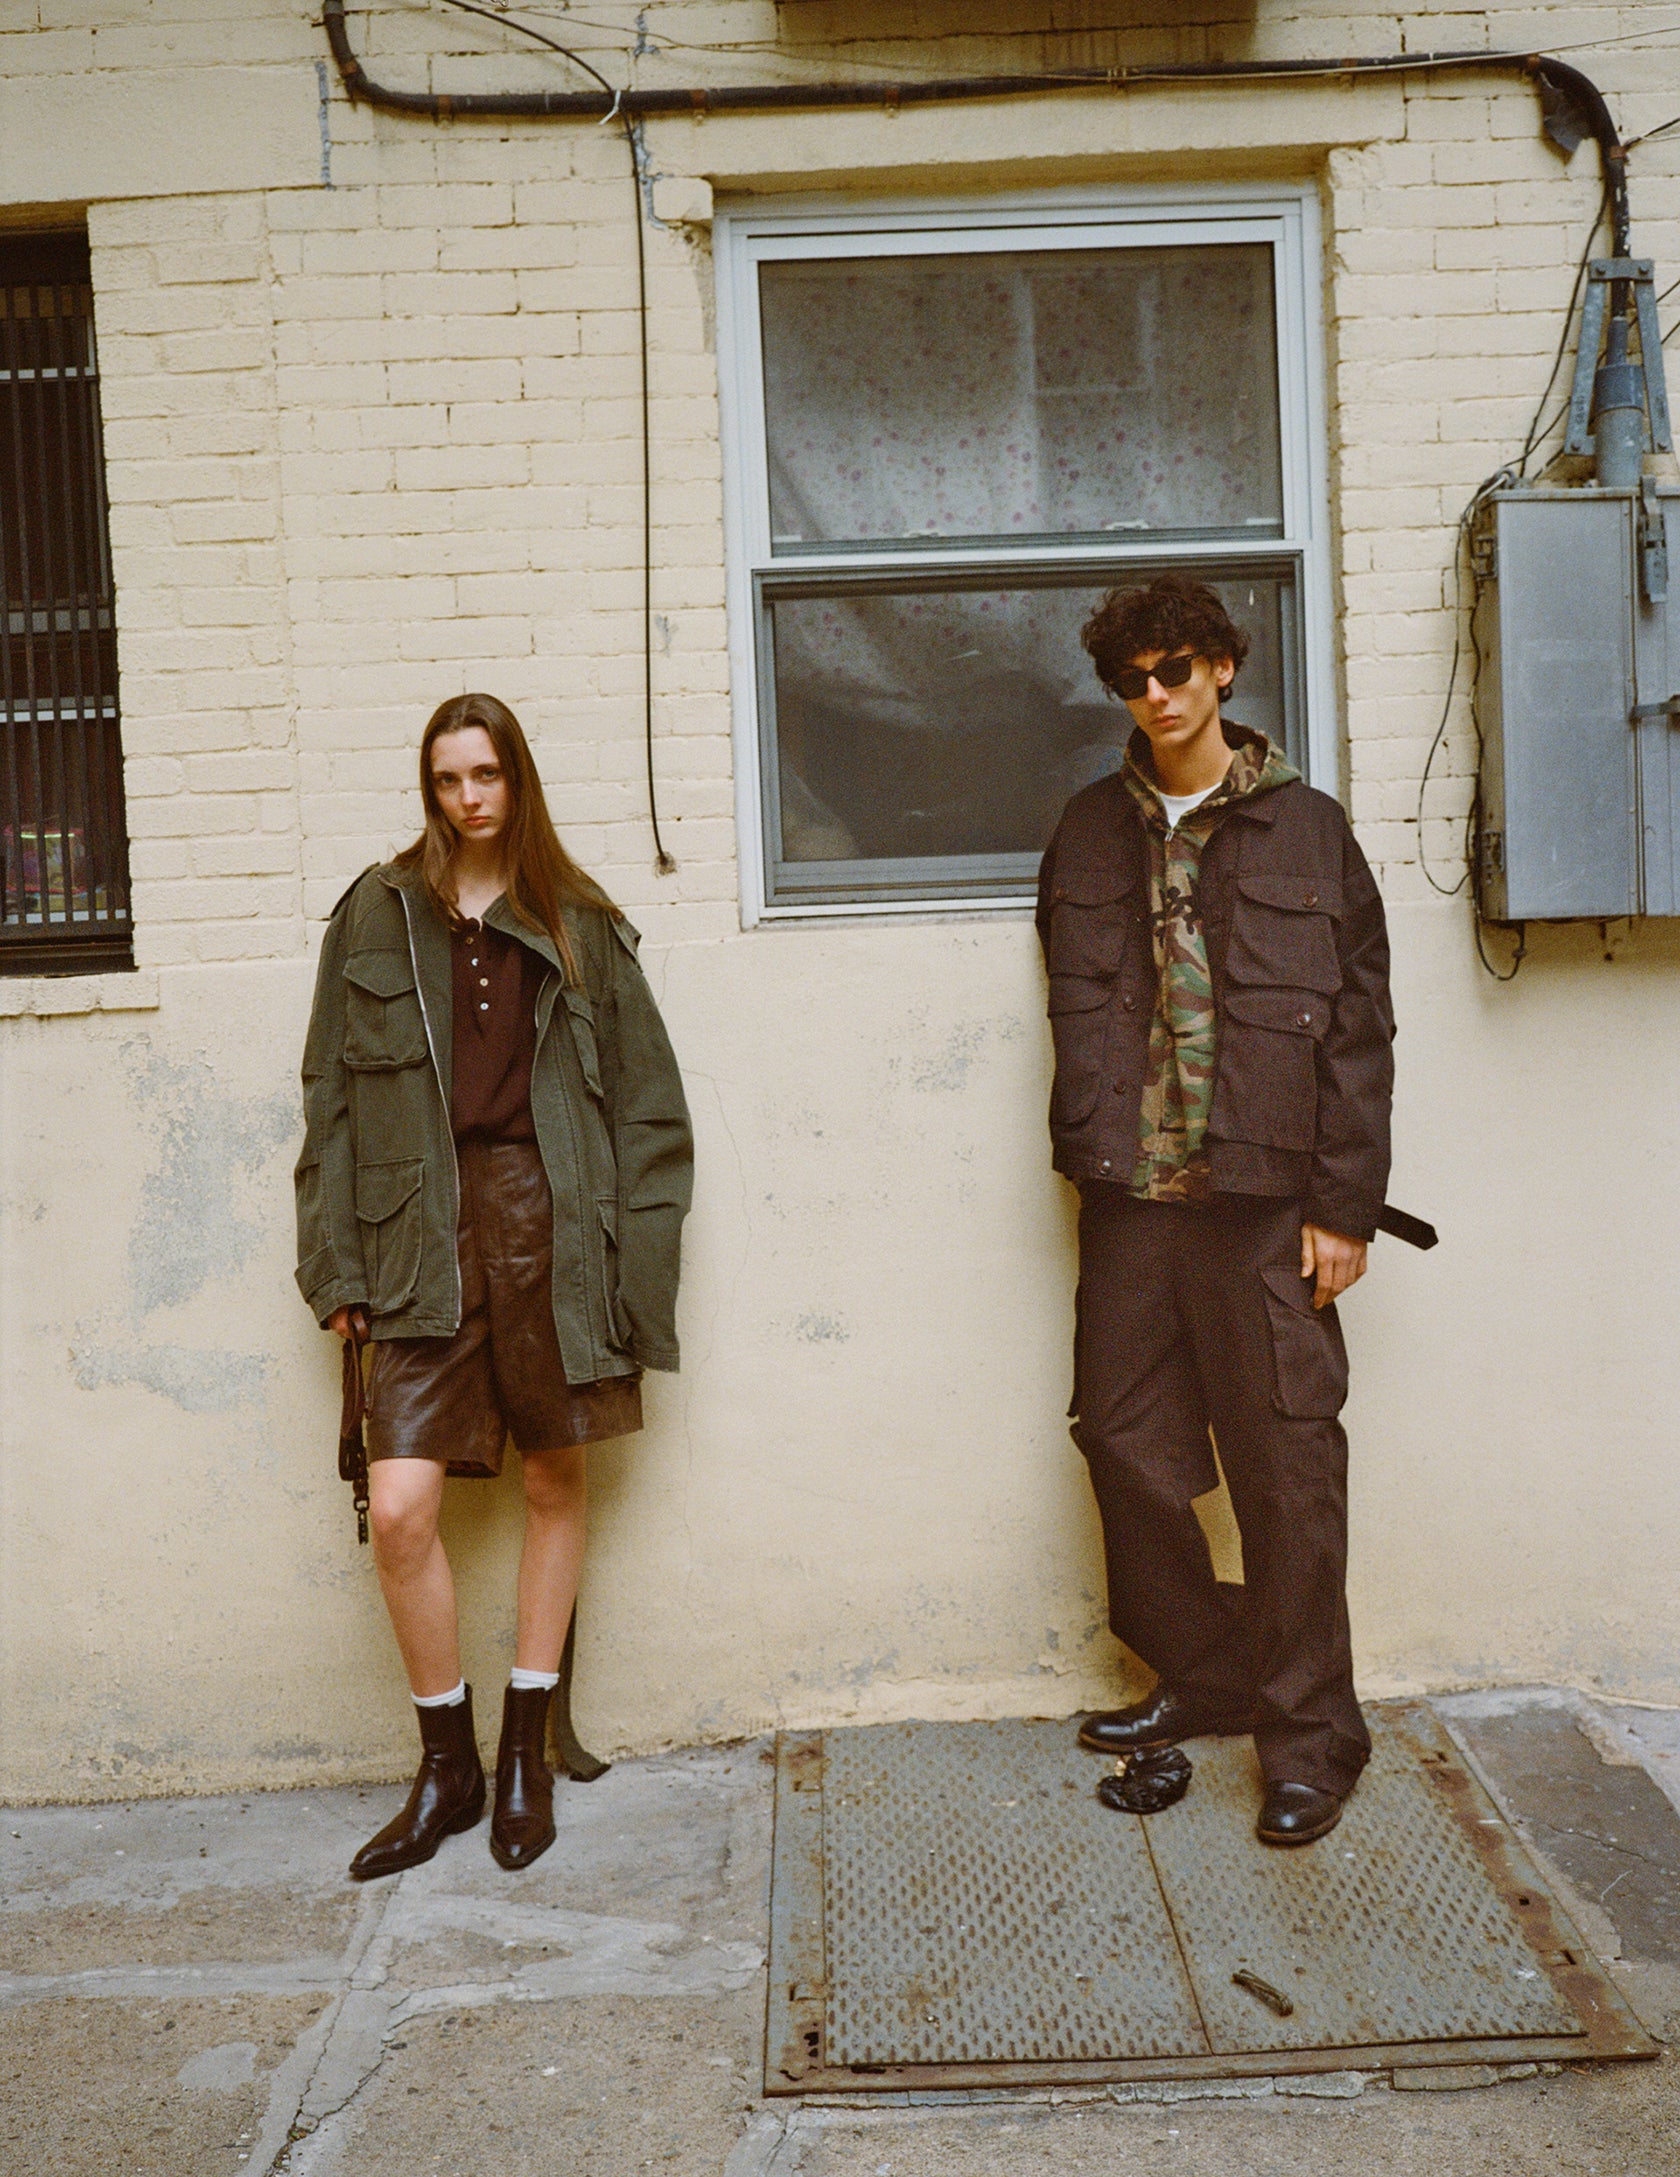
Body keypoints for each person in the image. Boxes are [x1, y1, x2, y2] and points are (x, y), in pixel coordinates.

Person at [295, 694, 692, 1880]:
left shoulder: (580, 921)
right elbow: (328, 1101)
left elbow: (651, 1113)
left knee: (555, 1480)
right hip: (417, 1229)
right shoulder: (376, 913)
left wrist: (634, 1274)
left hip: (553, 1220)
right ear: (428, 788)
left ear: (517, 778)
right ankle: (447, 1766)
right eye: (446, 778)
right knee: (400, 1504)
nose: (468, 798)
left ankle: (525, 1750)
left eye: (485, 774)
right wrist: (336, 1265)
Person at [1036, 575, 1394, 1847]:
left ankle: (1313, 1737)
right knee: (1120, 1438)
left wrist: (1343, 1205)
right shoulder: (1089, 829)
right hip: (1134, 1201)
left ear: (1225, 667)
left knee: (1287, 1471)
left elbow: (1360, 1031)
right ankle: (1207, 1668)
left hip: (1265, 1205)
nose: (1157, 694)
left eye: (1177, 667)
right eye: (1132, 678)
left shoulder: (1310, 828)